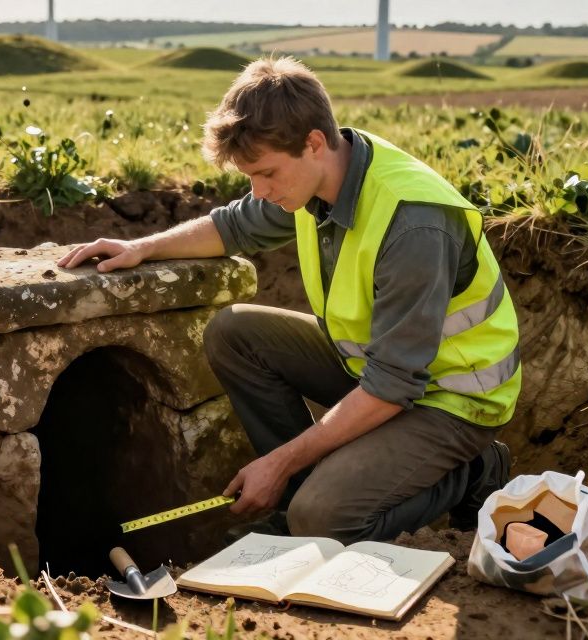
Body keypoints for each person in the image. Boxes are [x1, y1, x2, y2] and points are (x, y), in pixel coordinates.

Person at [57, 57, 518, 543]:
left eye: (266, 173)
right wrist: (143, 247)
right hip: (377, 370)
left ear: (315, 142)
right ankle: (298, 496)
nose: (260, 191)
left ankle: (474, 472)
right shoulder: (319, 177)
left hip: (452, 399)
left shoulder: (413, 224)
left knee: (324, 519)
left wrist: (278, 461)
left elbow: (393, 386)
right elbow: (234, 225)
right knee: (235, 334)